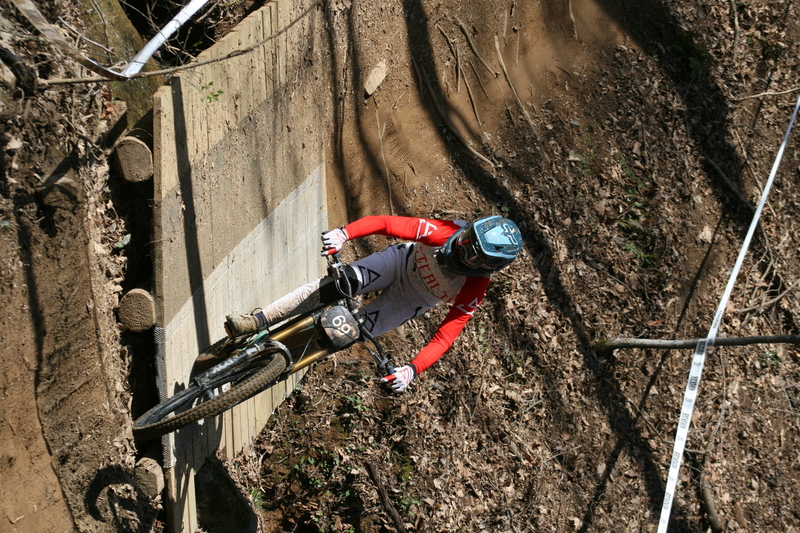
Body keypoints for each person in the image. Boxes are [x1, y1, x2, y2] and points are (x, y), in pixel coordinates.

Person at [225, 215, 522, 392]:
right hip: (398, 263)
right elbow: (387, 223)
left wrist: (411, 370)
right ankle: (258, 320)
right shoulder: (444, 231)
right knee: (338, 285)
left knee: (346, 334)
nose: (460, 246)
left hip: (409, 300)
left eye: (470, 253)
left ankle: (275, 367)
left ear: (483, 269)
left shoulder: (475, 287)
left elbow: (446, 336)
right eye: (467, 237)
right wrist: (344, 233)